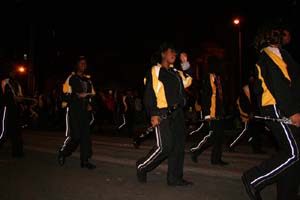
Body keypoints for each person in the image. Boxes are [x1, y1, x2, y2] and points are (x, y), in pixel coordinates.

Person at [241, 23, 300, 200]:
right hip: (277, 108)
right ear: (270, 36)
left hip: (286, 107)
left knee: (294, 156)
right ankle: (253, 178)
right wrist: (292, 112)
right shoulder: (267, 56)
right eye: (280, 32)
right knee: (293, 152)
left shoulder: (283, 55)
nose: (285, 35)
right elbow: (279, 86)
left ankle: (287, 194)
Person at [136, 42, 193, 186]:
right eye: (171, 52)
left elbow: (188, 81)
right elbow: (149, 92)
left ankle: (174, 178)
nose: (174, 54)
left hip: (178, 113)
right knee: (165, 147)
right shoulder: (155, 70)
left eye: (175, 53)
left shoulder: (176, 72)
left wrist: (185, 63)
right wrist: (153, 114)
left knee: (178, 147)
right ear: (163, 54)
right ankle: (142, 166)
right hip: (163, 113)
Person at [58, 56, 96, 169]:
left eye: (85, 63)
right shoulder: (71, 78)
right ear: (77, 65)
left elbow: (92, 96)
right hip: (74, 111)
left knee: (85, 137)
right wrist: (77, 95)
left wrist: (91, 105)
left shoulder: (88, 81)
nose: (83, 65)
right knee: (75, 136)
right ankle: (63, 153)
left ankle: (84, 161)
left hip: (84, 112)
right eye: (81, 63)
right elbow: (63, 96)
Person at [190, 55, 228, 166]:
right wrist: (206, 114)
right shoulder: (208, 77)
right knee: (213, 135)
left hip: (220, 110)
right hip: (212, 111)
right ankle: (196, 150)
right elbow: (206, 96)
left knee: (219, 136)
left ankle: (216, 159)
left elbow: (221, 95)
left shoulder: (219, 77)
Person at [228, 81, 264, 154]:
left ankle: (257, 148)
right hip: (245, 117)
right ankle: (231, 144)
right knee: (244, 131)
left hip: (249, 117)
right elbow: (243, 108)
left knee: (254, 132)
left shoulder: (248, 95)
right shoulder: (243, 96)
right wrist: (248, 114)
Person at [0, 64, 24, 158]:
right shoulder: (4, 82)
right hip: (7, 109)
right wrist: (12, 99)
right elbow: (3, 96)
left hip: (15, 110)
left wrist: (20, 99)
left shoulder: (17, 83)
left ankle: (17, 152)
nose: (14, 73)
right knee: (4, 132)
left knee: (17, 131)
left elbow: (20, 95)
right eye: (13, 71)